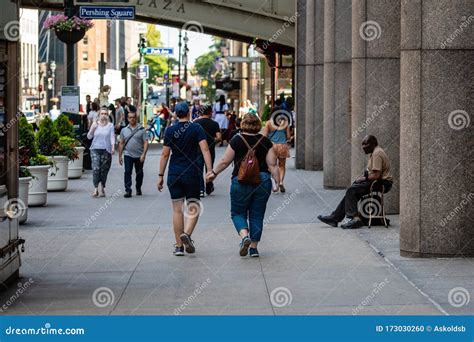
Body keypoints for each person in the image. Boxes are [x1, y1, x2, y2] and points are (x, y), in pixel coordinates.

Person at [206, 113, 280, 258]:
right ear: (258, 126)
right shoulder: (266, 141)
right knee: (257, 215)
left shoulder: (237, 140)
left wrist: (214, 173)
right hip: (262, 180)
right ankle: (253, 248)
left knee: (237, 213)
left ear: (243, 124)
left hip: (240, 181)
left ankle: (244, 236)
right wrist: (277, 182)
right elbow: (272, 165)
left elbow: (225, 161)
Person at [157, 102, 213, 256]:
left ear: (175, 113)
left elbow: (165, 154)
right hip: (192, 173)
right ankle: (187, 234)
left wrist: (160, 176)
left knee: (177, 210)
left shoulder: (170, 130)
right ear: (189, 112)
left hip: (174, 174)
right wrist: (209, 170)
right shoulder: (196, 128)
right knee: (194, 206)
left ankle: (179, 246)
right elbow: (205, 149)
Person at [317, 135, 393, 229]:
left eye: (366, 144)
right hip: (378, 182)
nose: (363, 147)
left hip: (382, 183)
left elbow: (376, 175)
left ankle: (355, 219)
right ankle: (335, 218)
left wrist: (363, 179)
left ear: (373, 144)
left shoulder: (377, 153)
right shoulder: (375, 152)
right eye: (362, 144)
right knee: (352, 191)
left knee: (351, 190)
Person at [118, 106, 148, 198]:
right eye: (130, 117)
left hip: (139, 155)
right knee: (127, 172)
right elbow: (121, 143)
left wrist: (144, 154)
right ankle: (128, 190)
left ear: (136, 118)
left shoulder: (142, 130)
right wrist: (120, 156)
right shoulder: (124, 130)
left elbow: (146, 142)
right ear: (127, 119)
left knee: (139, 173)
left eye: (133, 117)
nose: (132, 119)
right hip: (128, 155)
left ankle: (138, 187)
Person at [87, 107, 115, 197]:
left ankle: (102, 186)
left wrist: (113, 147)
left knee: (104, 170)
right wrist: (92, 129)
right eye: (102, 114)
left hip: (106, 150)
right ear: (99, 115)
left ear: (108, 115)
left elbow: (112, 137)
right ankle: (95, 188)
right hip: (95, 149)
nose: (104, 115)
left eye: (105, 114)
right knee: (96, 168)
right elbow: (89, 137)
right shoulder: (95, 124)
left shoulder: (110, 125)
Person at [194, 104, 221, 196]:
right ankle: (209, 187)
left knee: (199, 169)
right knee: (209, 169)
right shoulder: (214, 123)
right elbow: (219, 137)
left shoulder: (196, 123)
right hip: (210, 150)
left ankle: (200, 190)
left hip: (198, 150)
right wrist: (213, 142)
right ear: (210, 112)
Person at [262, 108, 291, 193]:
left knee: (272, 166)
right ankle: (281, 182)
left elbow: (264, 136)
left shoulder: (268, 123)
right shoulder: (285, 123)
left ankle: (275, 184)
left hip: (272, 146)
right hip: (282, 146)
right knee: (282, 166)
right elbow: (288, 137)